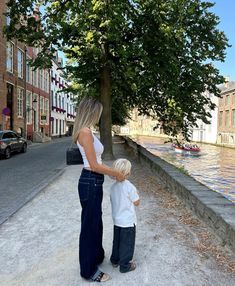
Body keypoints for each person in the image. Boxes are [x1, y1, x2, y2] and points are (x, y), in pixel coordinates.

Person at [72, 97, 125, 282]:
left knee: (95, 222)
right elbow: (93, 165)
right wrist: (115, 173)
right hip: (90, 180)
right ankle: (89, 270)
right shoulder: (85, 132)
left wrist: (109, 173)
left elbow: (96, 163)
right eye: (98, 113)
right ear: (91, 112)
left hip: (94, 181)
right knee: (89, 226)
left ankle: (95, 256)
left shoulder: (87, 131)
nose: (99, 116)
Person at [109, 158, 140, 273]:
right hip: (128, 221)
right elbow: (137, 202)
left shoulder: (113, 187)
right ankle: (125, 265)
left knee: (117, 241)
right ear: (128, 173)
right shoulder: (130, 187)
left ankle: (115, 260)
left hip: (117, 220)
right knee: (127, 244)